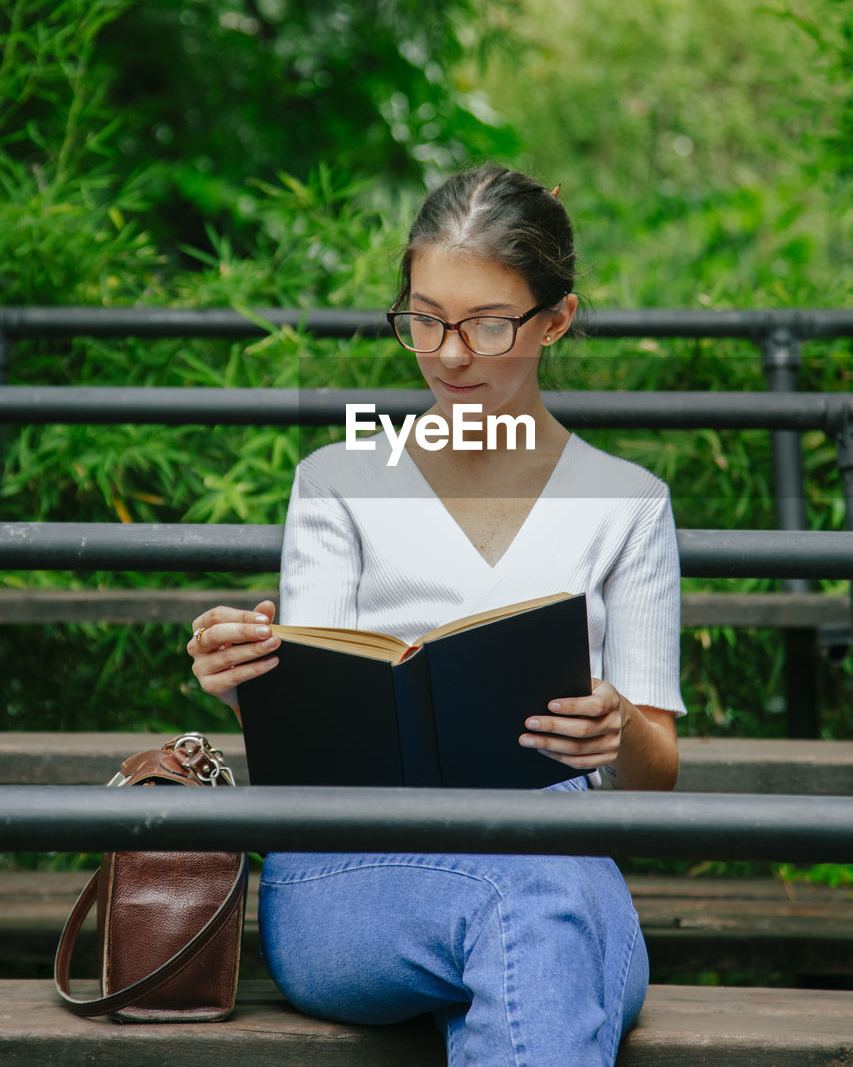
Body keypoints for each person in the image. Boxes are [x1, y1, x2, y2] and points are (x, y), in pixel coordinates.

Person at [188, 164, 686, 1066]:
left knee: (535, 919)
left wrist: (615, 728)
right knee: (541, 916)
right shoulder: (337, 481)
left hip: (558, 859)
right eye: (424, 318)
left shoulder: (628, 504)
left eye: (489, 325)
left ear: (556, 320)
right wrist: (248, 683)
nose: (449, 353)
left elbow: (654, 778)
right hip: (349, 870)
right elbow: (317, 743)